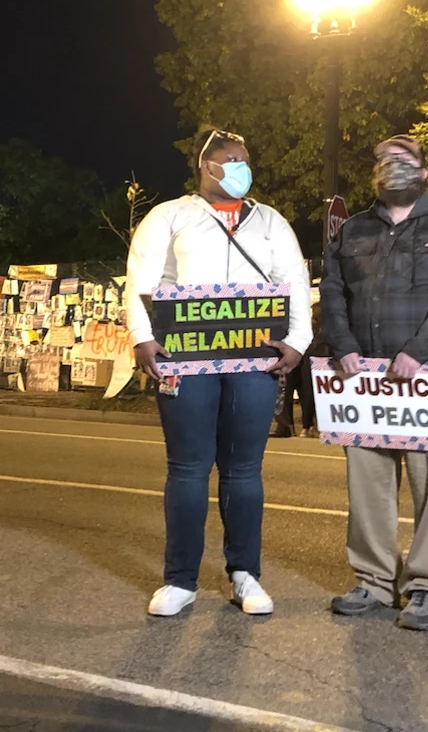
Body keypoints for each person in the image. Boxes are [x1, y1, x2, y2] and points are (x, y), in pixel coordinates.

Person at [125, 128, 312, 617]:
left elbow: (294, 281)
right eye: (229, 159)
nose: (239, 168)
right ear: (204, 166)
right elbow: (142, 279)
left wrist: (296, 341)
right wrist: (143, 336)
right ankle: (180, 580)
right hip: (185, 358)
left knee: (244, 471)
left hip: (254, 359)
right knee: (188, 469)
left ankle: (244, 575)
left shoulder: (270, 222)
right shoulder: (169, 217)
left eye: (244, 159)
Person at [320, 134, 428, 631]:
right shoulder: (350, 232)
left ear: (425, 172)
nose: (394, 167)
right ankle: (372, 580)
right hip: (362, 382)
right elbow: (332, 294)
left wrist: (417, 350)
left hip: (427, 379)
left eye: (405, 160)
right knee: (367, 487)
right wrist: (342, 347)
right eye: (385, 160)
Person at [272, 301, 324, 438]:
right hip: (302, 355)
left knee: (294, 392)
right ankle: (303, 426)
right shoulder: (307, 323)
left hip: (298, 356)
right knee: (304, 392)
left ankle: (293, 426)